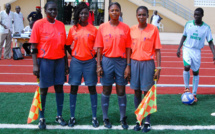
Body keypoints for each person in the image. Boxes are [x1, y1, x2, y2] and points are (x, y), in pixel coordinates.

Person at [29, 1, 68, 129]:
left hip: (59, 62)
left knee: (59, 88)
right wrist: (35, 65)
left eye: (55, 10)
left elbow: (64, 47)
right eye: (50, 10)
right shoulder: (38, 24)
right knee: (44, 90)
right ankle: (41, 118)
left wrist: (66, 64)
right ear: (45, 11)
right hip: (44, 61)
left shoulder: (61, 25)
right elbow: (33, 46)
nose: (53, 12)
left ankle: (59, 116)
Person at [95, 2, 131, 129]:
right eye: (112, 10)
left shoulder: (126, 28)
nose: (115, 12)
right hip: (107, 61)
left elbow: (128, 48)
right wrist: (98, 65)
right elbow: (99, 48)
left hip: (121, 62)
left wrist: (128, 65)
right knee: (106, 89)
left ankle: (123, 118)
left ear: (120, 12)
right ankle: (105, 118)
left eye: (117, 10)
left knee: (121, 90)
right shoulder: (102, 27)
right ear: (109, 12)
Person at [65, 2, 99, 128]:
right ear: (78, 14)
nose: (84, 15)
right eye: (81, 13)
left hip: (90, 62)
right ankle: (72, 117)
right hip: (76, 62)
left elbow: (98, 47)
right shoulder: (73, 29)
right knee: (73, 88)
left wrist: (92, 55)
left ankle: (94, 117)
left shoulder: (94, 29)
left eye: (86, 13)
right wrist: (73, 54)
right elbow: (67, 45)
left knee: (92, 88)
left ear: (89, 14)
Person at [130, 6, 161, 133]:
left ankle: (147, 121)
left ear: (148, 16)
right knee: (136, 92)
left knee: (147, 93)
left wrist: (158, 67)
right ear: (136, 15)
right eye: (139, 14)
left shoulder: (153, 30)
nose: (141, 17)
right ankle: (139, 119)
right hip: (134, 63)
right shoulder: (131, 29)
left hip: (148, 64)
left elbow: (157, 50)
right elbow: (128, 49)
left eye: (144, 14)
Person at [177, 7, 215, 103]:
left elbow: (210, 42)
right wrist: (179, 48)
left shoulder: (206, 28)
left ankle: (194, 93)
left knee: (195, 72)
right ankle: (186, 88)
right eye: (195, 14)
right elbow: (184, 36)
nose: (196, 16)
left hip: (197, 51)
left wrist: (214, 54)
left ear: (202, 15)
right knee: (187, 66)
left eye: (198, 15)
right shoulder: (188, 24)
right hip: (187, 48)